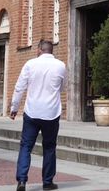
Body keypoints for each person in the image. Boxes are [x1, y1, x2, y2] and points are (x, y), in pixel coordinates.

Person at [9, 39, 67, 191]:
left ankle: (21, 181)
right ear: (51, 50)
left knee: (26, 146)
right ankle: (47, 182)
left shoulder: (30, 64)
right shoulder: (61, 66)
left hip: (32, 112)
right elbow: (62, 87)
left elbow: (19, 87)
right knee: (49, 147)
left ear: (39, 50)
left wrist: (14, 107)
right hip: (51, 113)